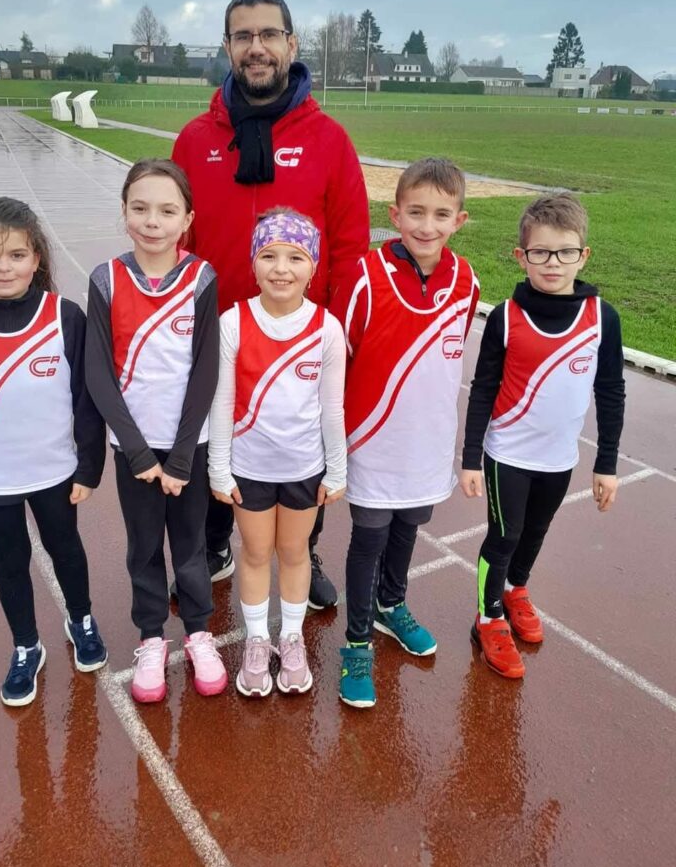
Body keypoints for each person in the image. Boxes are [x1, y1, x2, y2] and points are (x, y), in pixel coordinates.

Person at [171, 0, 369, 609]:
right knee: (215, 447)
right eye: (242, 36)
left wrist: (329, 332)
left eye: (268, 34)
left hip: (299, 339)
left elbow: (349, 245)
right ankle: (214, 543)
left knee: (298, 449)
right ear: (227, 47)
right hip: (221, 337)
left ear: (292, 43)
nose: (255, 48)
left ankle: (302, 551)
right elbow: (181, 243)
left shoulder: (329, 140)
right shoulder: (196, 138)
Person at [0, 197, 108, 707]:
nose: (3, 267)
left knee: (67, 551)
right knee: (10, 561)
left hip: (54, 470)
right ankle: (27, 646)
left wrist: (88, 466)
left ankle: (82, 621)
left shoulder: (64, 317)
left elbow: (86, 401)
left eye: (15, 255)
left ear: (36, 258)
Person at [332, 158, 479, 708]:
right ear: (394, 214)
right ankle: (356, 641)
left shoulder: (467, 281)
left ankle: (393, 605)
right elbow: (337, 361)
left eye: (441, 214)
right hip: (373, 439)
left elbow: (448, 358)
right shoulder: (364, 277)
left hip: (428, 442)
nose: (426, 225)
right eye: (415, 212)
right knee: (368, 537)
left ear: (459, 220)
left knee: (408, 528)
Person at [460, 192, 625, 678]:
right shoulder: (505, 318)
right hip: (506, 453)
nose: (553, 263)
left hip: (559, 458)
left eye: (565, 252)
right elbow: (483, 389)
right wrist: (471, 457)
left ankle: (516, 590)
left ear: (584, 255)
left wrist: (607, 463)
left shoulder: (602, 319)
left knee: (535, 533)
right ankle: (487, 617)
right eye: (540, 252)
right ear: (521, 255)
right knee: (505, 534)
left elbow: (611, 392)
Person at [85, 159, 227, 703]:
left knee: (191, 547)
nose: (153, 220)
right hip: (134, 452)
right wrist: (140, 454)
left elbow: (206, 368)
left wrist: (183, 454)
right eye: (140, 208)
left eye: (167, 210)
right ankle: (150, 637)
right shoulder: (106, 279)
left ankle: (197, 632)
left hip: (189, 446)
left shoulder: (202, 278)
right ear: (124, 213)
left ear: (186, 219)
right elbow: (98, 371)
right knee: (144, 546)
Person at [208, 209, 347, 697]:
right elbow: (222, 402)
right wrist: (219, 468)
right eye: (269, 255)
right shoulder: (233, 322)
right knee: (256, 552)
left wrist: (337, 467)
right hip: (250, 469)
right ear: (253, 262)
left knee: (293, 552)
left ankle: (291, 637)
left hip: (305, 471)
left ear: (313, 267)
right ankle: (256, 640)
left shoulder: (327, 328)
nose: (281, 268)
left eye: (295, 257)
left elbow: (333, 407)